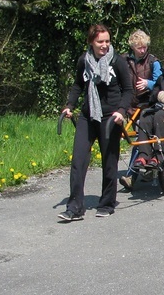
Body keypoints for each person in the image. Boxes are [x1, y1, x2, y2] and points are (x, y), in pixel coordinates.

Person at [58, 24, 133, 221]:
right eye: (100, 41)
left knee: (109, 162)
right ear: (91, 42)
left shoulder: (117, 62)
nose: (104, 45)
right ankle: (74, 207)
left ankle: (107, 203)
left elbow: (128, 90)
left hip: (111, 117)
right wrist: (69, 105)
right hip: (88, 115)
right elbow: (77, 85)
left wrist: (121, 111)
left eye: (107, 41)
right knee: (78, 161)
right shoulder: (84, 61)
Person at [119, 30, 162, 189]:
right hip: (129, 104)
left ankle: (131, 175)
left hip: (147, 105)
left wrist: (148, 84)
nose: (142, 50)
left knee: (140, 139)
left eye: (144, 47)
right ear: (133, 47)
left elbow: (161, 83)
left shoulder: (153, 62)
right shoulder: (123, 60)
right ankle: (146, 171)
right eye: (139, 48)